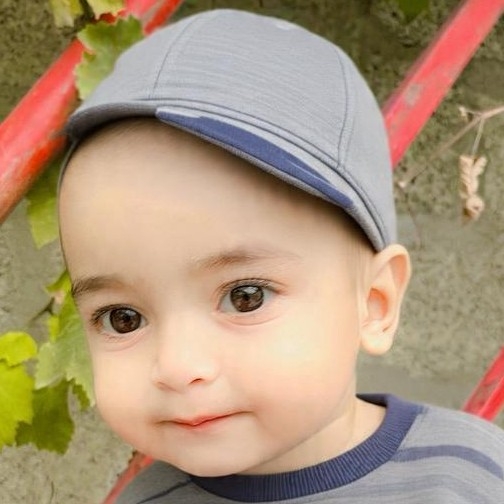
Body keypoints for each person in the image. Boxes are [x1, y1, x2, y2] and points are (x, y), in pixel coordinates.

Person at [57, 8, 504, 504]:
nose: (178, 366)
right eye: (123, 319)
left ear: (374, 303)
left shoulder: (471, 476)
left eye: (245, 297)